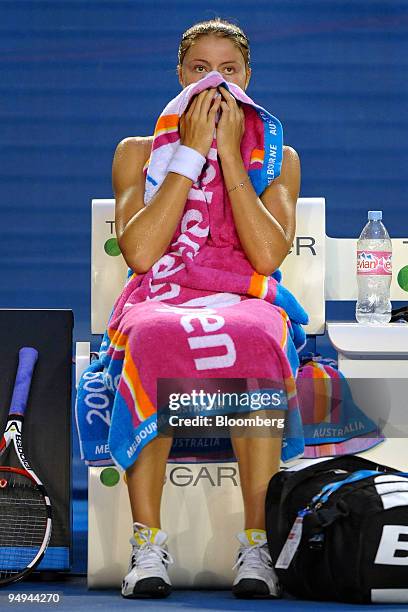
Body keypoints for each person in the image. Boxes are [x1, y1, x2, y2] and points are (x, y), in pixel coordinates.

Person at [113, 18, 301, 600]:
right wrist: (191, 154)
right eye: (200, 70)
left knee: (260, 336)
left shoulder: (277, 158)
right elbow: (142, 254)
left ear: (248, 78)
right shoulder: (138, 153)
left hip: (243, 293)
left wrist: (230, 156)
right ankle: (146, 545)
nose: (213, 85)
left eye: (228, 70)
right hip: (161, 294)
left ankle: (257, 543)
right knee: (149, 338)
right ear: (179, 77)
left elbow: (267, 256)